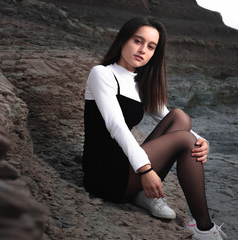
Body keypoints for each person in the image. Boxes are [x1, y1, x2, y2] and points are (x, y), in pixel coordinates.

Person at [82, 17, 226, 240]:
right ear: (123, 40)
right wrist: (146, 170)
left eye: (151, 46)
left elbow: (168, 116)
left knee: (180, 117)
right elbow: (116, 125)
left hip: (126, 165)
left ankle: (142, 194)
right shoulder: (102, 73)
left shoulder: (140, 83)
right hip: (105, 174)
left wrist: (202, 140)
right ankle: (204, 228)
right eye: (137, 41)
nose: (143, 50)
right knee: (185, 140)